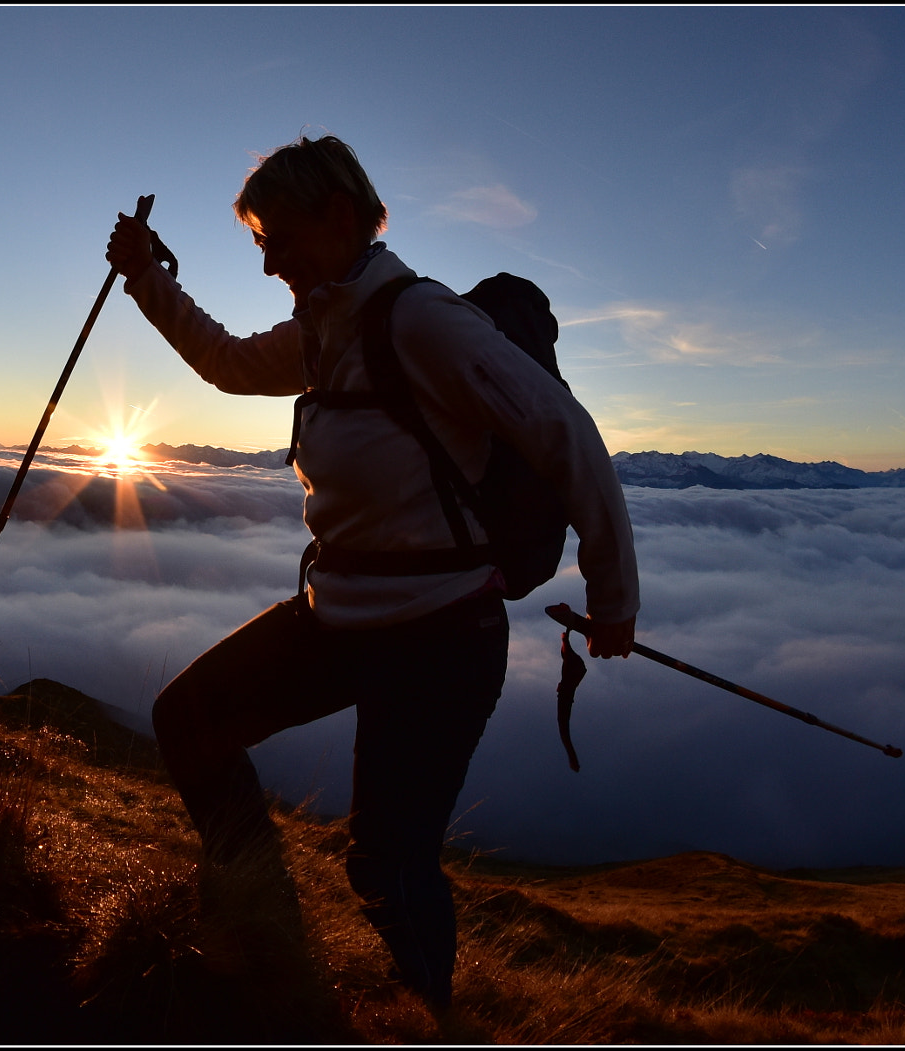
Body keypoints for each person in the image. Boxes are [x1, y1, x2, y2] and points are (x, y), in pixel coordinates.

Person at [105, 135, 639, 1012]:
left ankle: (429, 1018)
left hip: (441, 634)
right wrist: (146, 283)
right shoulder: (326, 327)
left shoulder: (420, 321)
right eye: (259, 241)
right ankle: (264, 939)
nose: (268, 258)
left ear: (340, 217)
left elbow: (564, 434)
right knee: (189, 721)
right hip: (342, 614)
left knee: (387, 858)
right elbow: (233, 363)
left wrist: (614, 596)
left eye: (276, 235)